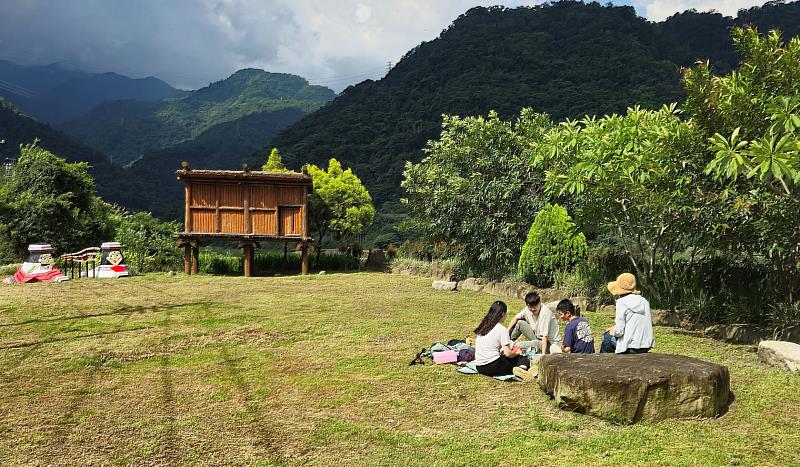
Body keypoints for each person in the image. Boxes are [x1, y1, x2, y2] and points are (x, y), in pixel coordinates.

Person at [474, 301, 534, 381]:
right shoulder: (501, 329)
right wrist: (517, 352)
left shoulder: (483, 326)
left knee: (505, 357)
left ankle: (519, 369)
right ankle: (521, 369)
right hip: (493, 366)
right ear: (502, 314)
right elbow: (508, 353)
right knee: (523, 358)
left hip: (479, 367)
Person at [600, 273, 654, 354]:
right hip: (645, 346)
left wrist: (613, 331)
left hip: (630, 347)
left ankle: (603, 363)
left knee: (607, 337)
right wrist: (614, 328)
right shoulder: (644, 301)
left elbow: (619, 331)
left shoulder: (621, 302)